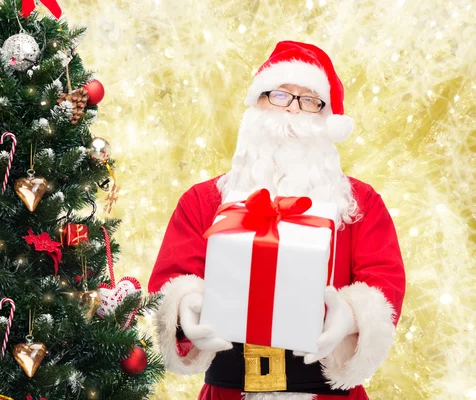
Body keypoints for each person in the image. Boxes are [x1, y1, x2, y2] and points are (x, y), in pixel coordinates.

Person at [148, 40, 406, 400]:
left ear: (326, 117)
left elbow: (384, 282)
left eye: (309, 100)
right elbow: (171, 279)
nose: (293, 112)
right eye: (280, 95)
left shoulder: (360, 204)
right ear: (257, 104)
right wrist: (185, 304)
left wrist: (350, 315)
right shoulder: (203, 201)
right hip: (230, 390)